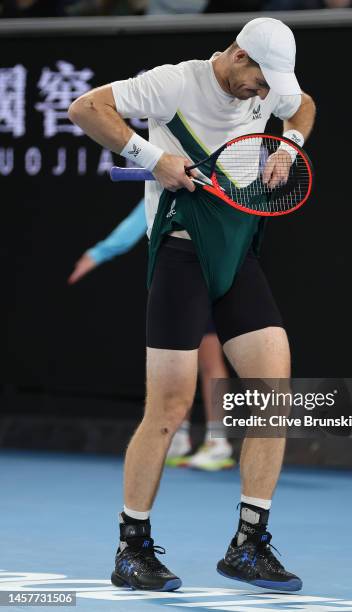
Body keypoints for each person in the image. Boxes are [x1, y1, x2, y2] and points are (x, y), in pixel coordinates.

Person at [68, 16, 316, 592]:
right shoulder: (173, 82)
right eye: (257, 81)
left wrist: (289, 145)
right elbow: (85, 108)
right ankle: (133, 549)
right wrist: (151, 158)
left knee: (275, 395)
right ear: (236, 56)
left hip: (237, 254)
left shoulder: (272, 86)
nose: (263, 94)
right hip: (181, 256)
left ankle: (248, 544)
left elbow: (302, 104)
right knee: (170, 407)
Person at [67, 199, 235, 470]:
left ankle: (218, 442)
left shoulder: (196, 184)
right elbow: (137, 220)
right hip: (191, 276)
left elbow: (134, 224)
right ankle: (180, 438)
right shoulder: (168, 182)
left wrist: (97, 254)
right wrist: (98, 253)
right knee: (186, 362)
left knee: (209, 362)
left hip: (202, 274)